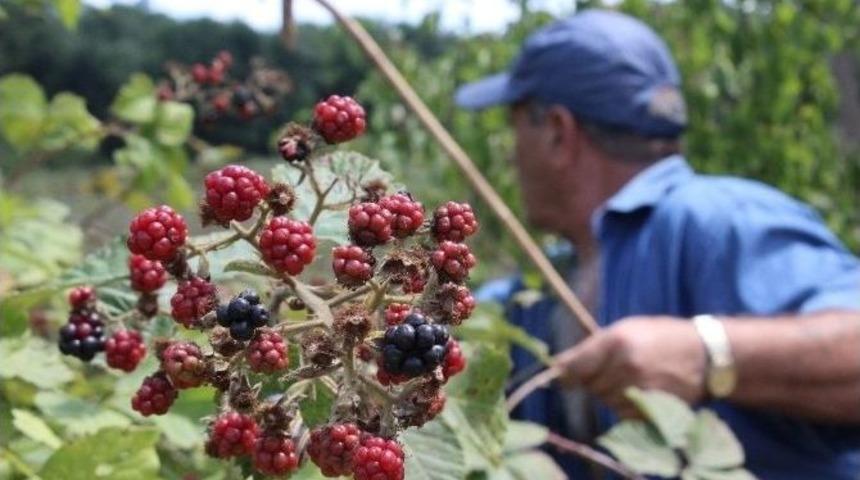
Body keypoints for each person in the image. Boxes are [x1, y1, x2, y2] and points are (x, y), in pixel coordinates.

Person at [454, 9, 860, 480]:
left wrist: (706, 353)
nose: (510, 152)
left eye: (516, 126)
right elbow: (466, 329)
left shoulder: (717, 220)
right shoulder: (556, 279)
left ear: (558, 133)